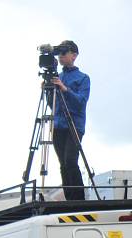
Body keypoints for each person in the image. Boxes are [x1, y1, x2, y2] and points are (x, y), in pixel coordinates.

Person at [49, 40, 91, 202]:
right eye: (59, 53)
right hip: (59, 125)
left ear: (74, 55)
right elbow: (53, 106)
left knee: (70, 161)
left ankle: (78, 199)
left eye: (64, 53)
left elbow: (81, 102)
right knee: (63, 164)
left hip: (74, 125)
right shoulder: (57, 77)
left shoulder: (83, 78)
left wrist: (64, 89)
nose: (60, 56)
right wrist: (48, 92)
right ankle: (69, 199)